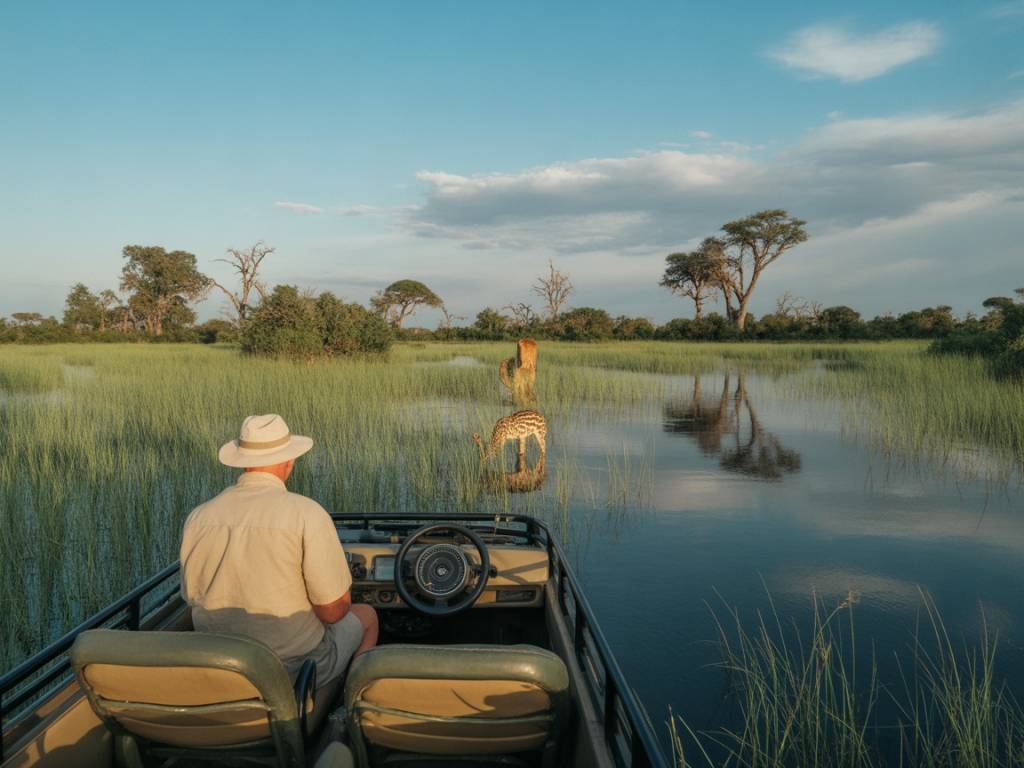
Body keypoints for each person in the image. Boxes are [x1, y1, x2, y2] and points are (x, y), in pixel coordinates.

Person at [180, 414, 377, 684]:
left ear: (242, 461)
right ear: (289, 460)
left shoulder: (198, 517)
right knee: (367, 615)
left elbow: (192, 596)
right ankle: (352, 699)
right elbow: (333, 612)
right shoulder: (307, 514)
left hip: (220, 663)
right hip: (294, 670)